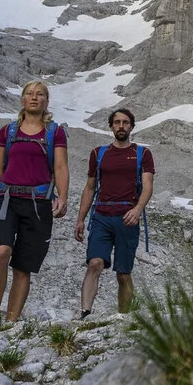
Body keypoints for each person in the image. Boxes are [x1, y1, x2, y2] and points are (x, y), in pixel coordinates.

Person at [0, 82, 67, 324]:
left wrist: (63, 196)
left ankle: (12, 323)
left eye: (40, 94)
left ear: (46, 101)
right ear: (22, 100)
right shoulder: (8, 131)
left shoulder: (55, 132)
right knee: (1, 251)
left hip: (39, 204)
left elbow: (60, 166)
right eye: (29, 94)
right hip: (7, 199)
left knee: (23, 266)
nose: (34, 98)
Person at [73, 107, 154, 318]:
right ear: (111, 126)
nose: (121, 126)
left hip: (128, 217)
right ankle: (85, 313)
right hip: (101, 215)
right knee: (94, 263)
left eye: (125, 122)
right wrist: (80, 219)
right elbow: (90, 187)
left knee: (123, 273)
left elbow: (147, 186)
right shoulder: (98, 154)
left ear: (131, 126)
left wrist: (137, 210)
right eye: (117, 122)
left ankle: (123, 317)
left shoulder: (142, 153)